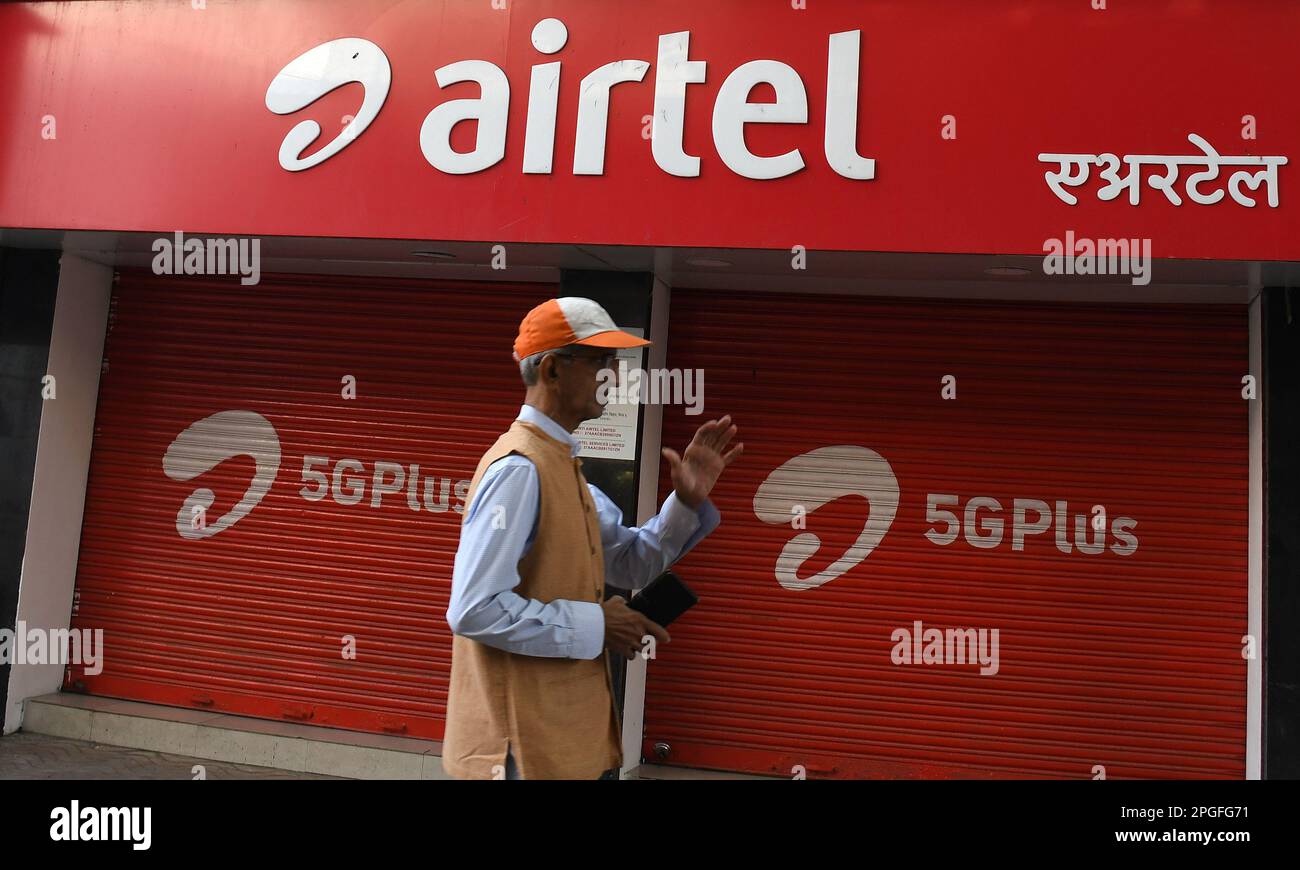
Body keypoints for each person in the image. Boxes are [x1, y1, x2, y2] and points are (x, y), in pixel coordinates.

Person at [442, 296, 742, 780]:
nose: (613, 376)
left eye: (615, 363)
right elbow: (474, 609)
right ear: (554, 371)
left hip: (567, 745)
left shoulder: (563, 465)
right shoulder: (519, 470)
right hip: (522, 755)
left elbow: (630, 562)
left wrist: (685, 503)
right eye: (600, 361)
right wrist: (599, 625)